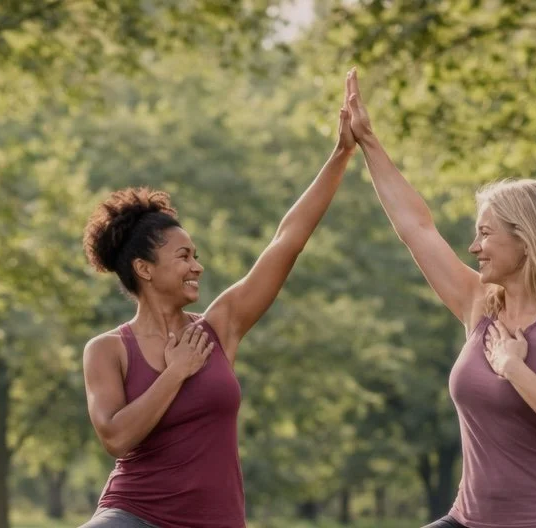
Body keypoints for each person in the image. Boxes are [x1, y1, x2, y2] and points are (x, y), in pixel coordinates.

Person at [78, 75, 357, 527]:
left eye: (197, 255)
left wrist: (341, 154)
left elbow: (287, 242)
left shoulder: (219, 326)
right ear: (145, 270)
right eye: (183, 256)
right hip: (135, 515)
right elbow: (116, 437)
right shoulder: (107, 350)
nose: (197, 266)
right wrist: (174, 373)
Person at [346, 69, 536, 528]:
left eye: (485, 233)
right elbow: (417, 229)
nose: (474, 246)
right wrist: (368, 141)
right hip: (466, 520)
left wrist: (514, 370)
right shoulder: (480, 305)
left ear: (526, 241)